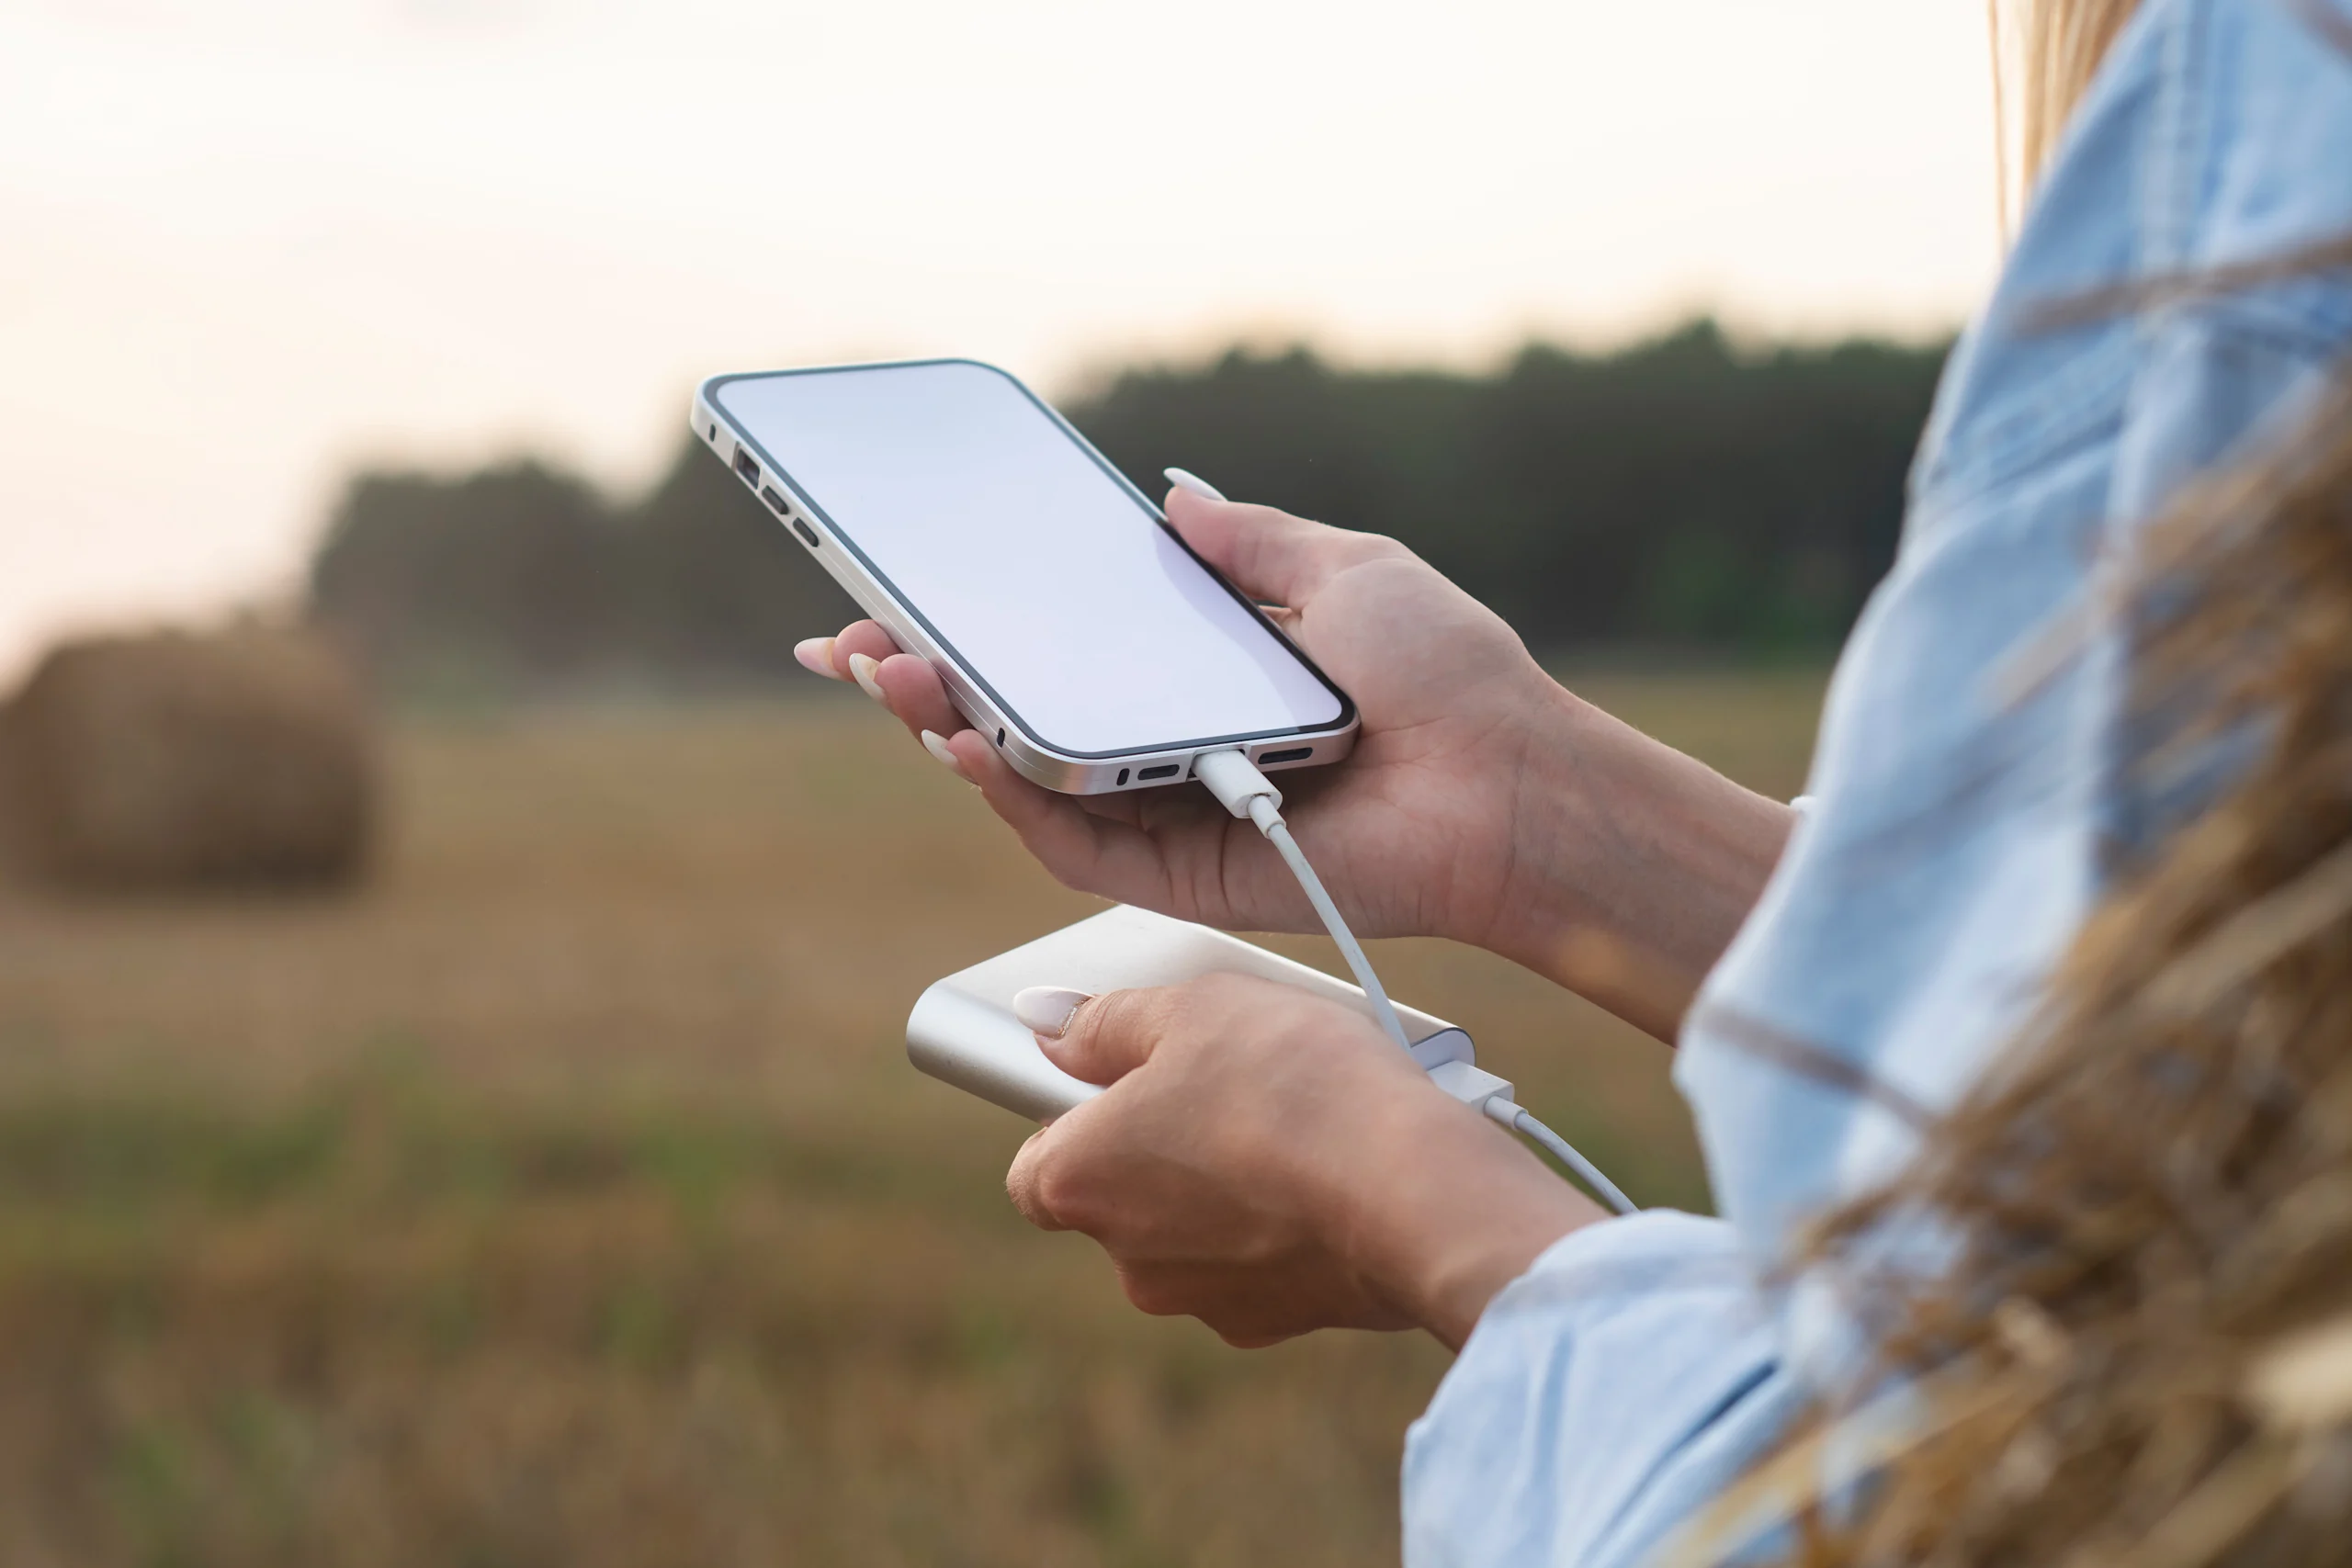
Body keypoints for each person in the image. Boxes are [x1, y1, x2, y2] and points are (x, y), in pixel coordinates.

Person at [795, 1, 2352, 1561]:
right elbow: (2203, 1078)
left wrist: (1397, 1191)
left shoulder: (2256, 93)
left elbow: (2007, 1471)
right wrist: (1526, 809)